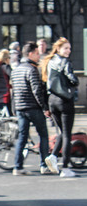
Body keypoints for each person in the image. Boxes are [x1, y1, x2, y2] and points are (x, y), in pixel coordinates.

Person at [41, 37, 80, 177]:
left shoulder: (49, 62)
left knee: (61, 133)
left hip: (52, 101)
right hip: (64, 100)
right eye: (66, 48)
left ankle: (53, 157)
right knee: (67, 134)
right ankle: (65, 168)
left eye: (69, 48)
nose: (68, 51)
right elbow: (71, 78)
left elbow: (45, 84)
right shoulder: (65, 62)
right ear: (58, 49)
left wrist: (45, 106)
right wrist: (75, 82)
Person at [10, 42, 51, 175]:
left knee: (22, 137)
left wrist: (14, 109)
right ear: (31, 54)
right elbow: (36, 91)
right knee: (43, 135)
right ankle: (44, 165)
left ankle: (18, 166)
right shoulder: (31, 69)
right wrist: (44, 107)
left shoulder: (16, 70)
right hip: (33, 107)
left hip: (20, 108)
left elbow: (13, 92)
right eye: (37, 53)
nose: (39, 56)